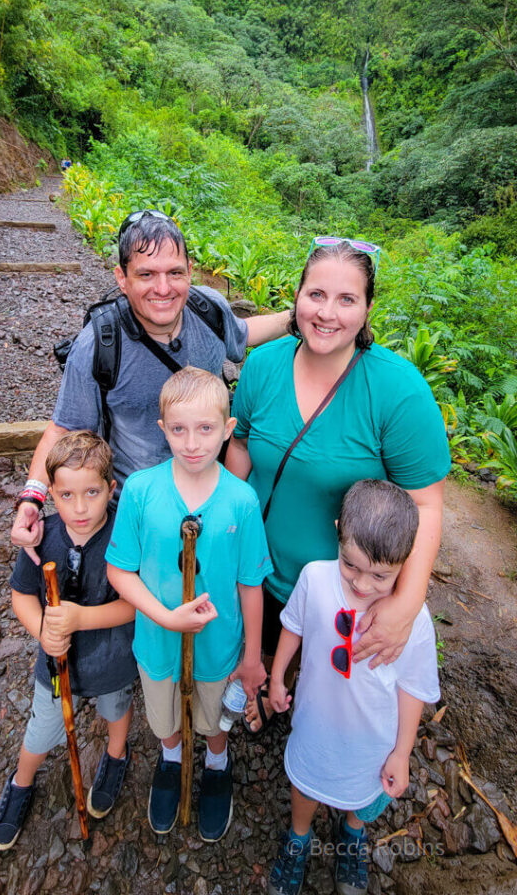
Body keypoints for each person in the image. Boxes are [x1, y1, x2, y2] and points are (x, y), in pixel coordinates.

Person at [225, 236, 450, 732]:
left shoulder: (397, 389)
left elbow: (426, 505)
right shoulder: (263, 366)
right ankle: (266, 687)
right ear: (297, 297)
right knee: (263, 652)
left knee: (326, 684)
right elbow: (240, 448)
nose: (327, 313)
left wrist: (405, 605)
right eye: (316, 294)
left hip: (345, 585)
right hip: (258, 569)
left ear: (368, 309)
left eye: (347, 299)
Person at [11, 209, 290, 552]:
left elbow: (243, 333)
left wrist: (298, 316)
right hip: (135, 510)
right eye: (146, 274)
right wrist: (32, 498)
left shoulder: (208, 310)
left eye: (174, 273)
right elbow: (64, 428)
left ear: (190, 271)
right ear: (122, 278)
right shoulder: (98, 344)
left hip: (208, 495)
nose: (163, 289)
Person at [105, 367, 271, 841]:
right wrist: (163, 616)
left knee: (214, 716)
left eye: (205, 429)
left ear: (228, 430)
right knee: (164, 714)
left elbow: (250, 583)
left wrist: (252, 656)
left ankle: (216, 762)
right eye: (179, 429)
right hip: (157, 642)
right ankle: (172, 757)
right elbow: (120, 570)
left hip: (219, 649)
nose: (192, 443)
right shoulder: (140, 491)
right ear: (163, 430)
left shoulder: (241, 500)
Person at [267, 479, 440, 895]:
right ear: (339, 530)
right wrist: (276, 677)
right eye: (351, 565)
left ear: (406, 560)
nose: (362, 584)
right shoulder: (315, 578)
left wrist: (401, 752)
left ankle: (352, 834)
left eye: (381, 575)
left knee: (365, 789)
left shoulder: (413, 620)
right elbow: (292, 626)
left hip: (372, 737)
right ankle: (299, 837)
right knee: (306, 781)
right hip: (314, 722)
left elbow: (412, 688)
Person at [0, 431, 137, 851]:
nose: (79, 507)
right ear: (50, 492)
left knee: (117, 708)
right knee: (41, 728)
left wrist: (79, 617)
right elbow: (21, 595)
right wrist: (44, 633)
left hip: (112, 658)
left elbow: (133, 605)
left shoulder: (122, 536)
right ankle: (21, 782)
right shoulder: (42, 536)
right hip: (56, 666)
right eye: (66, 494)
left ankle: (115, 755)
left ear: (111, 490)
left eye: (91, 493)